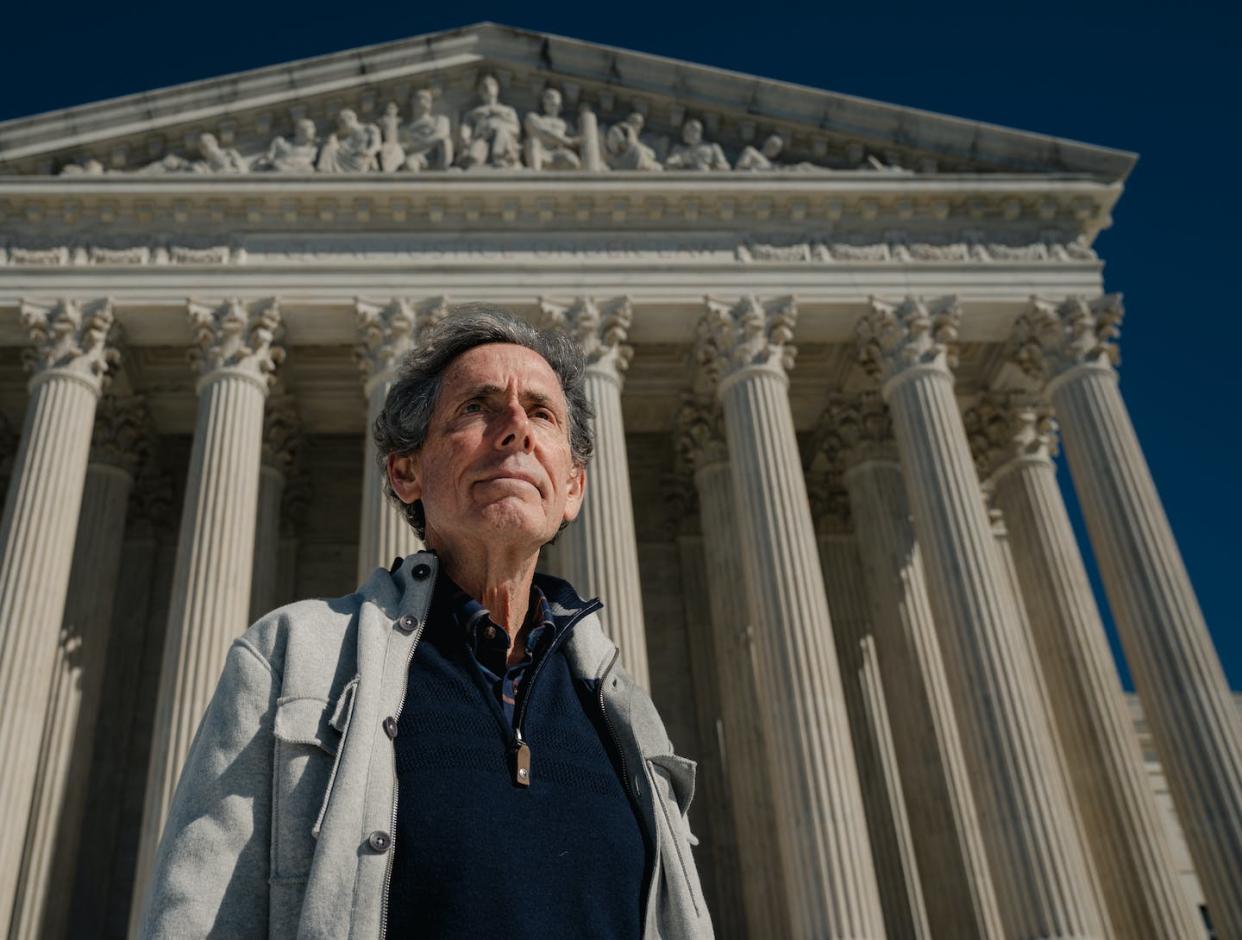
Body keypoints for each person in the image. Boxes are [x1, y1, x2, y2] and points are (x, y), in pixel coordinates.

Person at [138, 306, 713, 939]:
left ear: (573, 486)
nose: (515, 429)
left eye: (541, 413)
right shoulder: (292, 658)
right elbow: (197, 918)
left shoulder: (623, 711)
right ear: (405, 472)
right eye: (477, 407)